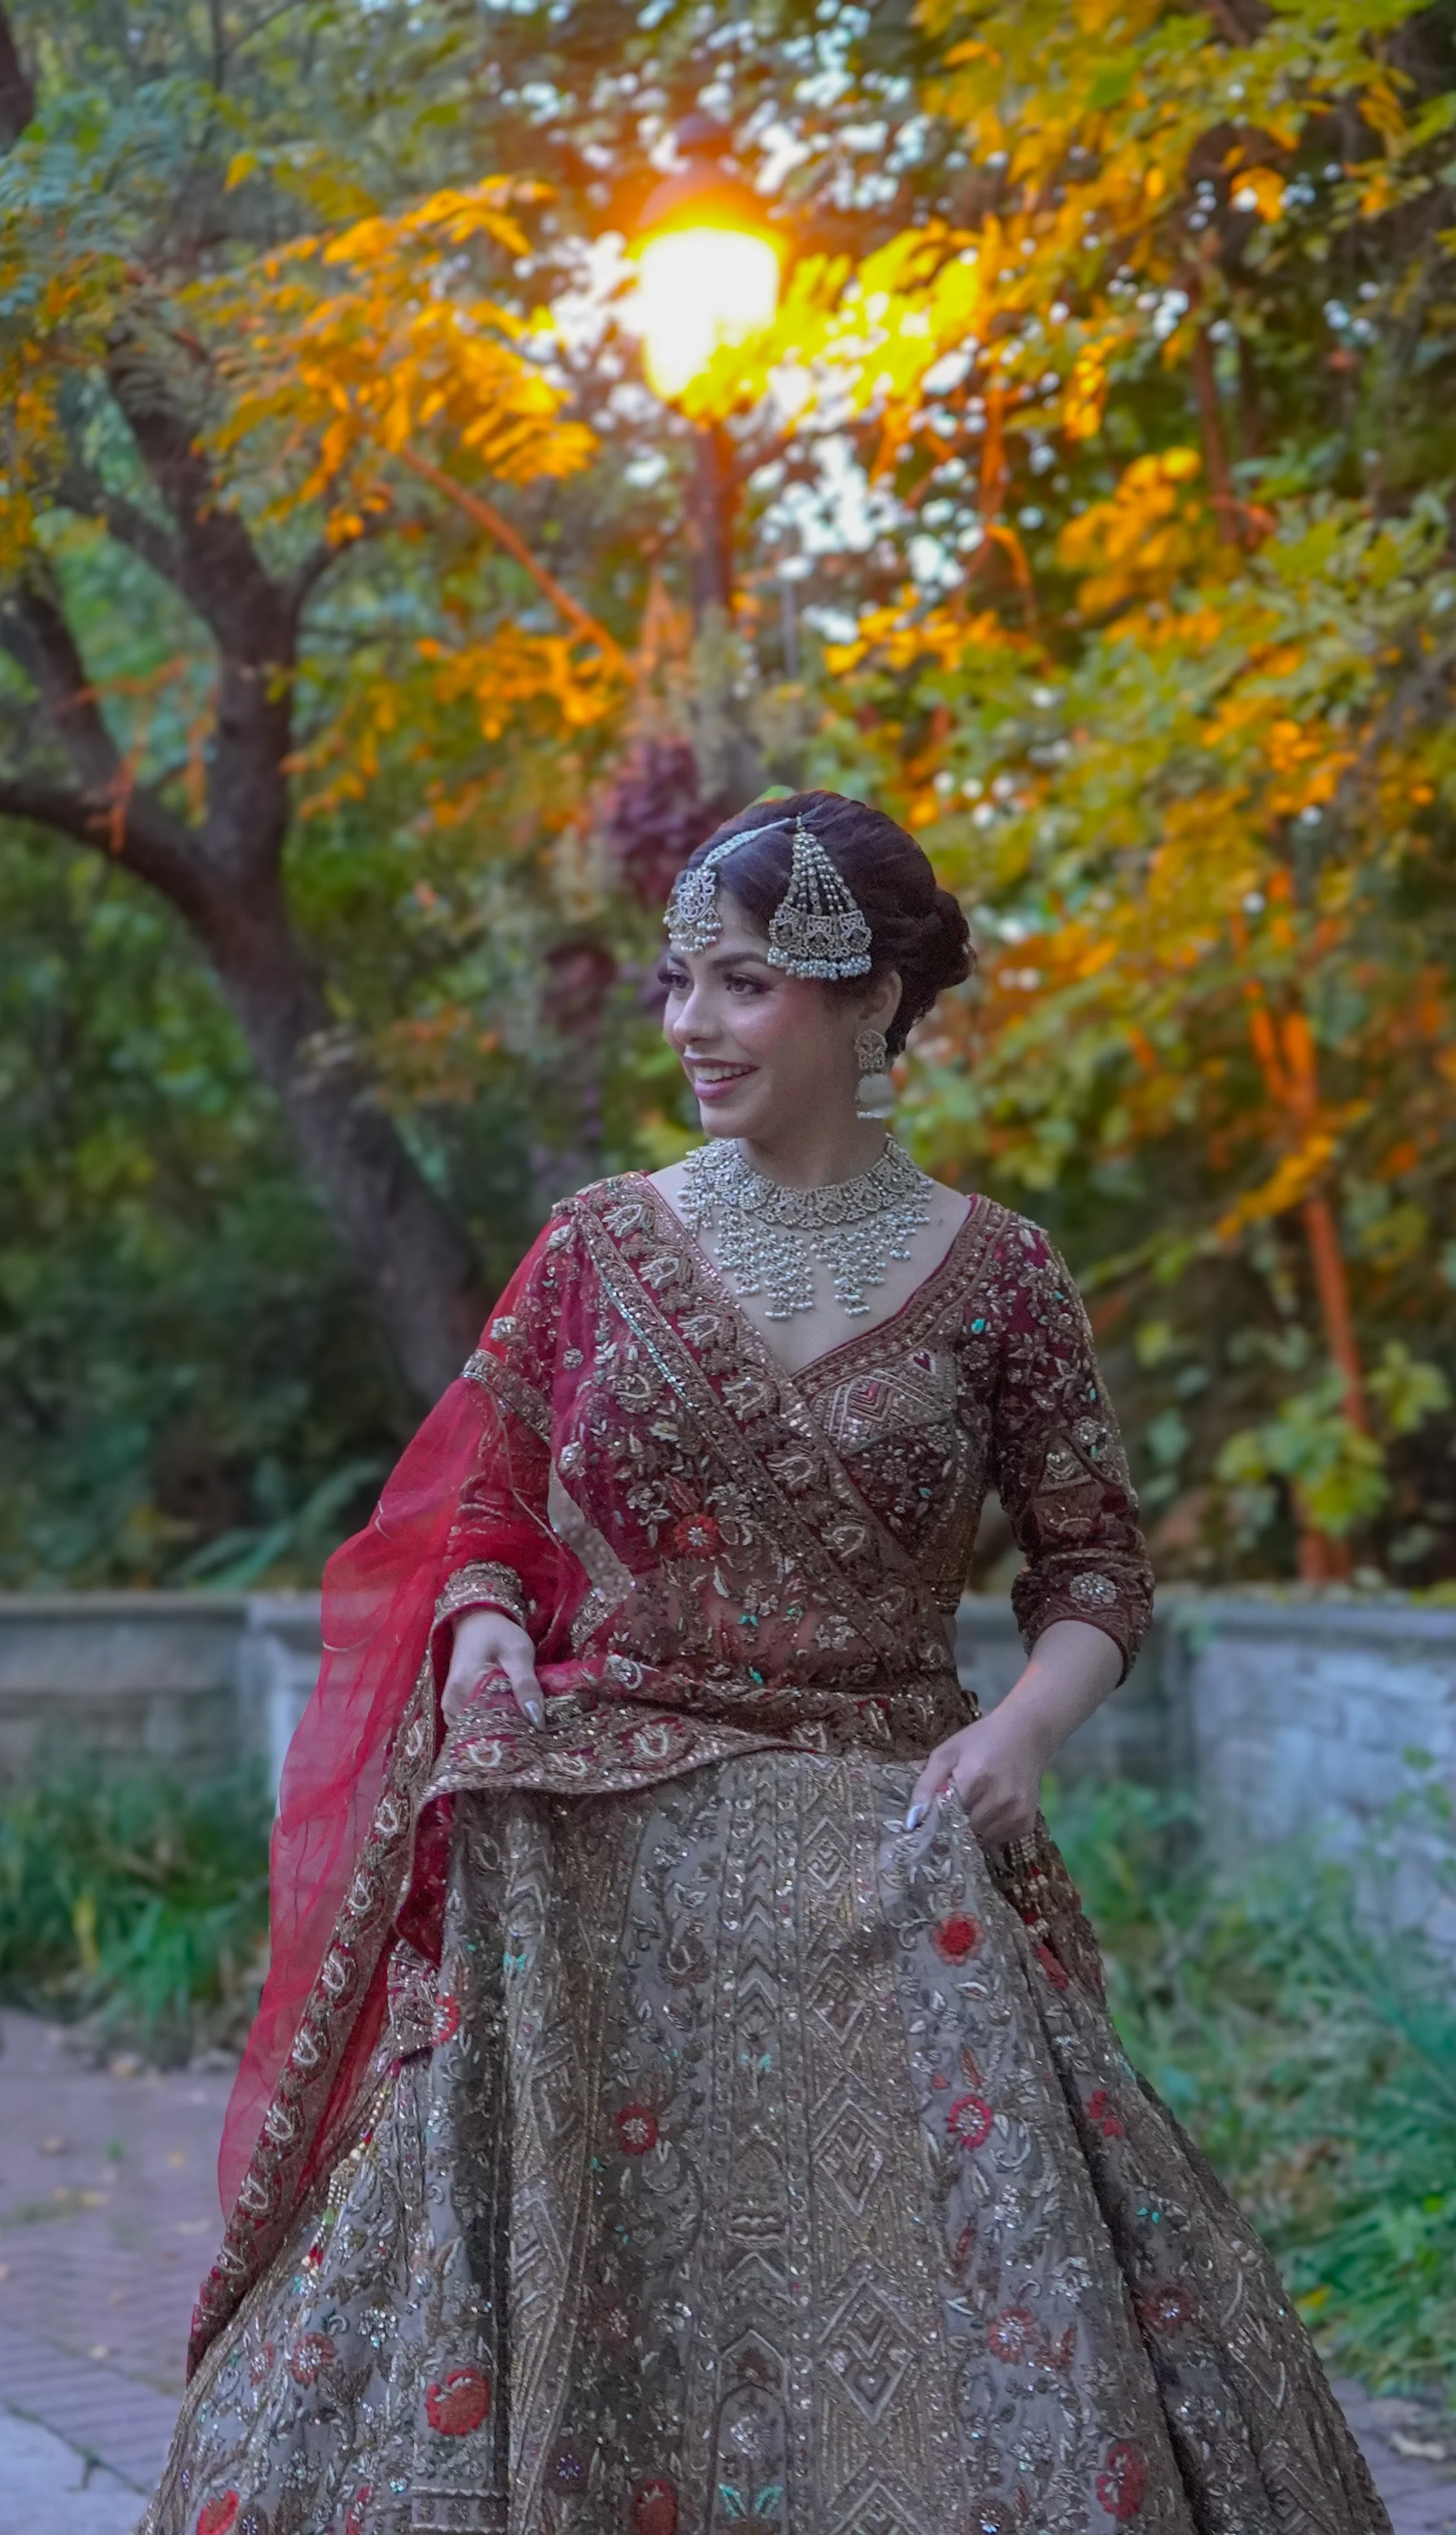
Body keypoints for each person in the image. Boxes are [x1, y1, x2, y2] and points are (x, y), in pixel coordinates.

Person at [142, 793, 1389, 2535]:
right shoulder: (598, 1249)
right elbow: (484, 1514)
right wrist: (489, 1629)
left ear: (868, 999)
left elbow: (1096, 1570)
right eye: (675, 983)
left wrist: (1028, 1732)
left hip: (891, 1835)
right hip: (599, 1840)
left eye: (737, 986)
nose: (689, 1027)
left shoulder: (1002, 1279)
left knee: (989, 2298)